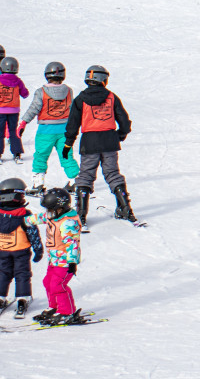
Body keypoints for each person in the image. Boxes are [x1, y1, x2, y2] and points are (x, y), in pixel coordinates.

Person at [63, 65, 134, 225]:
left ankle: (81, 214)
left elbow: (73, 123)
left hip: (89, 142)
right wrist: (120, 135)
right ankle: (125, 209)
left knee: (86, 175)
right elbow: (124, 119)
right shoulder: (111, 97)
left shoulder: (80, 99)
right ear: (103, 80)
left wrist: (68, 144)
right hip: (109, 141)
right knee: (113, 174)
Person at [18, 62, 79, 193]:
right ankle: (75, 181)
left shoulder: (41, 92)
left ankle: (38, 184)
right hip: (64, 130)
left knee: (41, 156)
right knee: (67, 156)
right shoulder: (69, 91)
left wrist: (23, 123)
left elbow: (34, 108)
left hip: (46, 131)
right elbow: (72, 108)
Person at [31, 187, 84, 325]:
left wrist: (72, 262)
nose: (48, 213)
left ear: (60, 208)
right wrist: (23, 221)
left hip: (66, 261)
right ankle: (54, 307)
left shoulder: (68, 223)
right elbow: (40, 218)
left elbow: (72, 243)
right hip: (54, 260)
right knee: (47, 282)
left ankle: (67, 312)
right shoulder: (54, 215)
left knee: (57, 285)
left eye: (51, 210)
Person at [0, 178, 43, 318]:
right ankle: (22, 298)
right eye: (22, 195)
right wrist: (38, 250)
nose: (23, 198)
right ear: (15, 196)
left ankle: (1, 297)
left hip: (2, 251)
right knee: (22, 274)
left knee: (3, 273)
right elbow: (33, 234)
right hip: (21, 252)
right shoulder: (25, 215)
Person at [0, 58, 28, 164]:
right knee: (13, 132)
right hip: (14, 111)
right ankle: (17, 153)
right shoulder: (17, 81)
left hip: (0, 111)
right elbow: (25, 94)